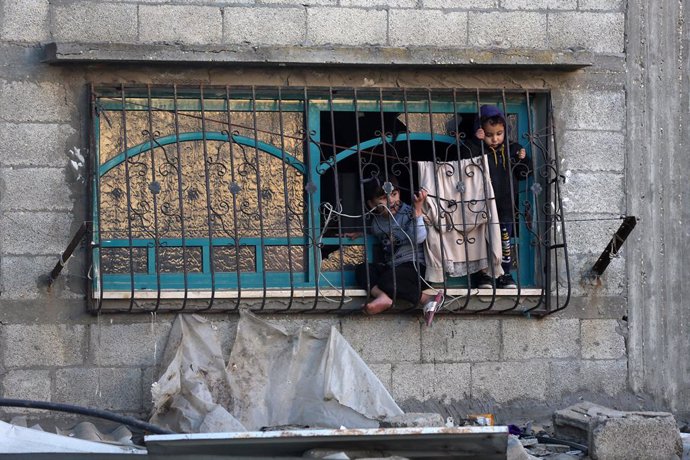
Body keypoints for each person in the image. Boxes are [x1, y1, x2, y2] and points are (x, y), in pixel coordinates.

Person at [351, 176, 434, 315]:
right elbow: (377, 232)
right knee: (362, 269)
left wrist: (418, 210)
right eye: (383, 198)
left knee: (389, 281)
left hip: (415, 267)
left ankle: (427, 298)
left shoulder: (408, 213)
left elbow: (419, 237)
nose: (391, 201)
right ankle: (382, 297)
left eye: (394, 194)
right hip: (394, 268)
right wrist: (360, 233)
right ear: (372, 204)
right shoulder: (376, 222)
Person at [469, 105, 531, 289]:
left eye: (499, 133)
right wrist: (476, 142)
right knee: (482, 241)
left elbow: (524, 174)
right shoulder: (476, 147)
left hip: (505, 205)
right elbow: (463, 164)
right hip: (480, 206)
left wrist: (523, 159)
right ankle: (483, 275)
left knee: (505, 240)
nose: (495, 139)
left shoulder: (512, 149)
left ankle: (504, 274)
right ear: (480, 132)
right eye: (489, 134)